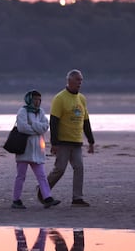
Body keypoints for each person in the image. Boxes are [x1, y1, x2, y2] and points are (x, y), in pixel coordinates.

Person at [41, 69, 96, 207]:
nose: (80, 82)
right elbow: (54, 122)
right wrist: (54, 143)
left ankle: (77, 198)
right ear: (69, 81)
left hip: (76, 141)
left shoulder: (82, 99)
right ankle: (42, 191)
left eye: (81, 80)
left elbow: (86, 121)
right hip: (63, 142)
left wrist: (91, 141)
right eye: (77, 80)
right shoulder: (60, 98)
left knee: (79, 168)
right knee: (59, 169)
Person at [11, 90, 60, 209]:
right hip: (24, 149)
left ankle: (47, 198)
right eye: (35, 99)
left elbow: (45, 127)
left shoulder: (41, 112)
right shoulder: (23, 111)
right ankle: (16, 200)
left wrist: (33, 124)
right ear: (29, 100)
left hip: (37, 150)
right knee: (21, 176)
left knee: (42, 176)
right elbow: (22, 128)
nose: (37, 102)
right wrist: (37, 129)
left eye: (39, 99)